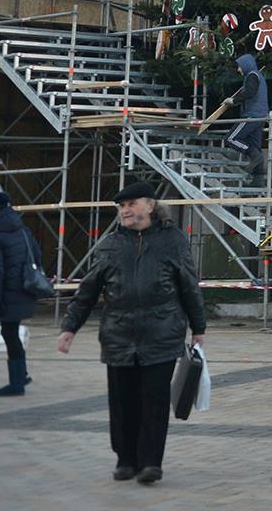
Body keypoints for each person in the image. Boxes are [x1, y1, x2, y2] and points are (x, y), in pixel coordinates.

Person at [58, 181, 208, 486]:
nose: (126, 210)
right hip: (118, 336)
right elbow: (88, 290)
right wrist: (69, 328)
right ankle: (125, 459)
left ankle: (151, 462)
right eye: (122, 206)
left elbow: (189, 286)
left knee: (154, 402)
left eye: (132, 204)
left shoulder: (173, 241)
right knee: (123, 403)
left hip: (162, 333)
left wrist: (198, 328)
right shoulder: (110, 244)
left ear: (150, 206)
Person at [0, 190, 39, 396]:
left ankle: (16, 384)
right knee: (12, 333)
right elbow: (37, 255)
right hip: (24, 288)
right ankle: (21, 375)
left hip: (8, 292)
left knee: (9, 334)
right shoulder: (22, 230)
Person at [220, 52, 269, 181]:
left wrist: (233, 101)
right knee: (256, 145)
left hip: (252, 115)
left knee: (230, 138)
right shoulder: (259, 77)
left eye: (239, 66)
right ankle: (258, 180)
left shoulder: (252, 76)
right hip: (261, 117)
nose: (238, 69)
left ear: (246, 65)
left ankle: (253, 155)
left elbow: (249, 92)